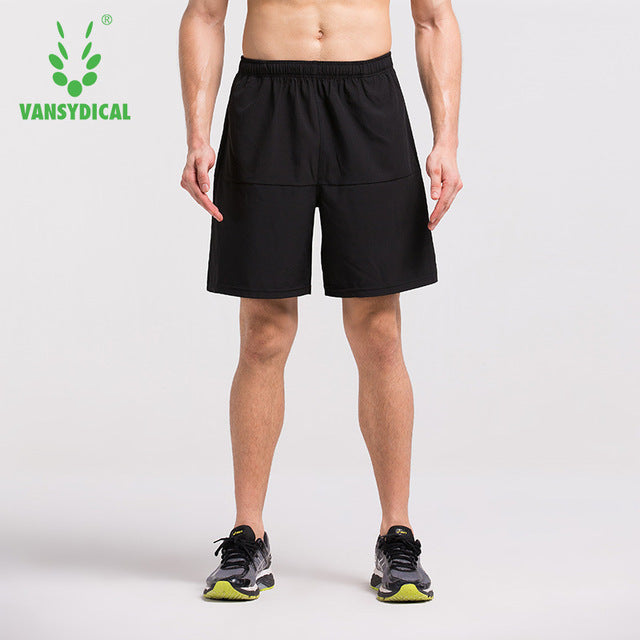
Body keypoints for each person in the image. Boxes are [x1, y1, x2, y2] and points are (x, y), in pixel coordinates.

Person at [179, 0, 462, 603]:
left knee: (379, 332)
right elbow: (204, 14)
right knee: (263, 332)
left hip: (368, 100)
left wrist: (447, 139)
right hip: (266, 101)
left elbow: (434, 18)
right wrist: (197, 135)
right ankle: (248, 535)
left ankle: (397, 535)